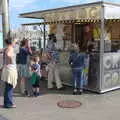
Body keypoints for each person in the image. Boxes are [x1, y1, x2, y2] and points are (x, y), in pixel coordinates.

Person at [1, 38, 18, 108]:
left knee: (7, 87)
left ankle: (6, 103)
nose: (15, 43)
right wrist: (10, 56)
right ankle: (9, 104)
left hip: (6, 68)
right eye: (14, 42)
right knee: (9, 87)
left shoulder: (6, 48)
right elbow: (8, 54)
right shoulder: (10, 48)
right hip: (10, 69)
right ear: (11, 42)